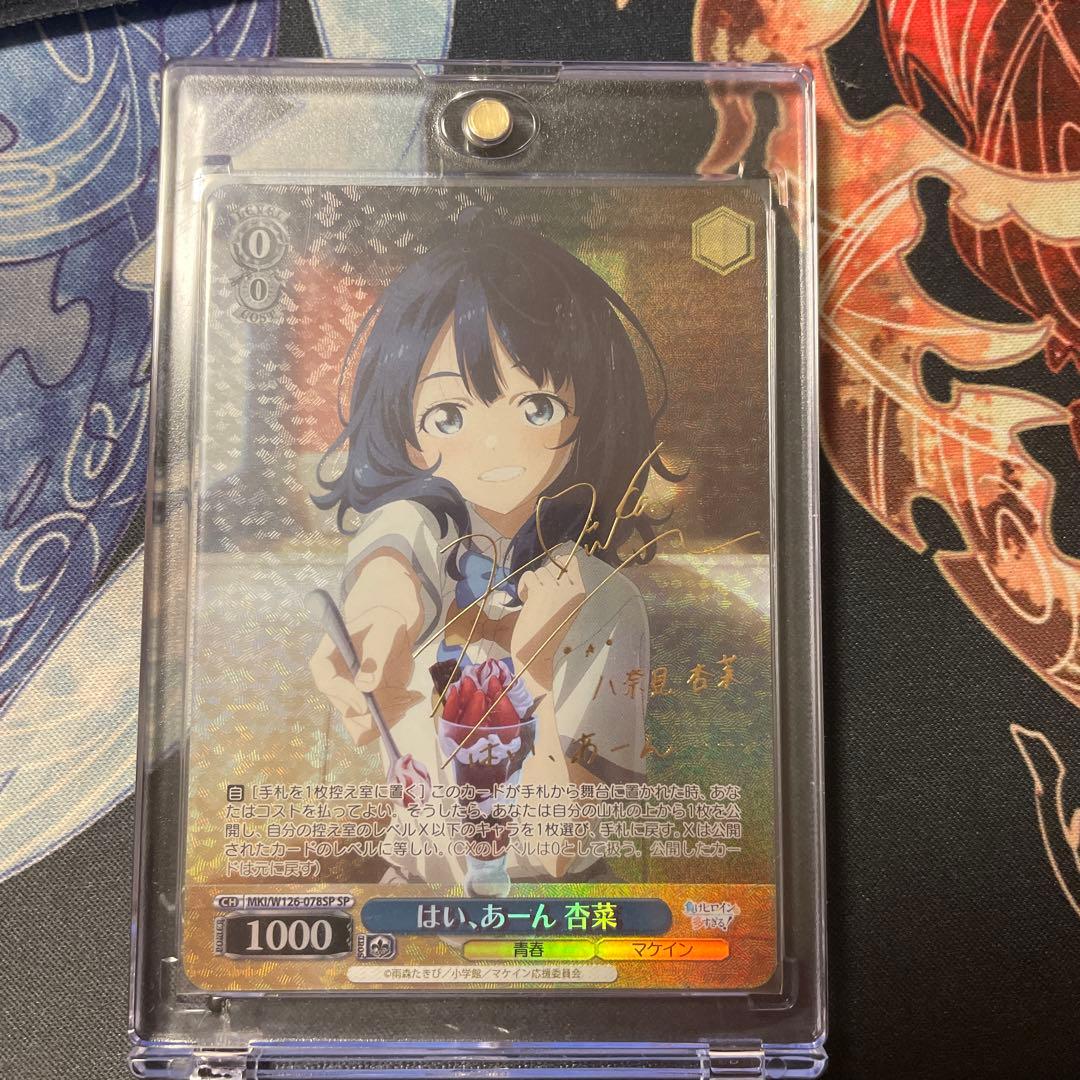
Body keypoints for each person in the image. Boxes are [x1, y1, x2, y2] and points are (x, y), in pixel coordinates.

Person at [309, 207, 678, 892]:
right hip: (412, 895)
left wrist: (532, 675)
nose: (494, 445)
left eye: (537, 408)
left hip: (549, 909)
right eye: (449, 415)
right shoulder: (422, 548)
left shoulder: (603, 601)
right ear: (408, 432)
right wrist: (381, 606)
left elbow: (558, 850)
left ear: (588, 410)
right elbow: (400, 540)